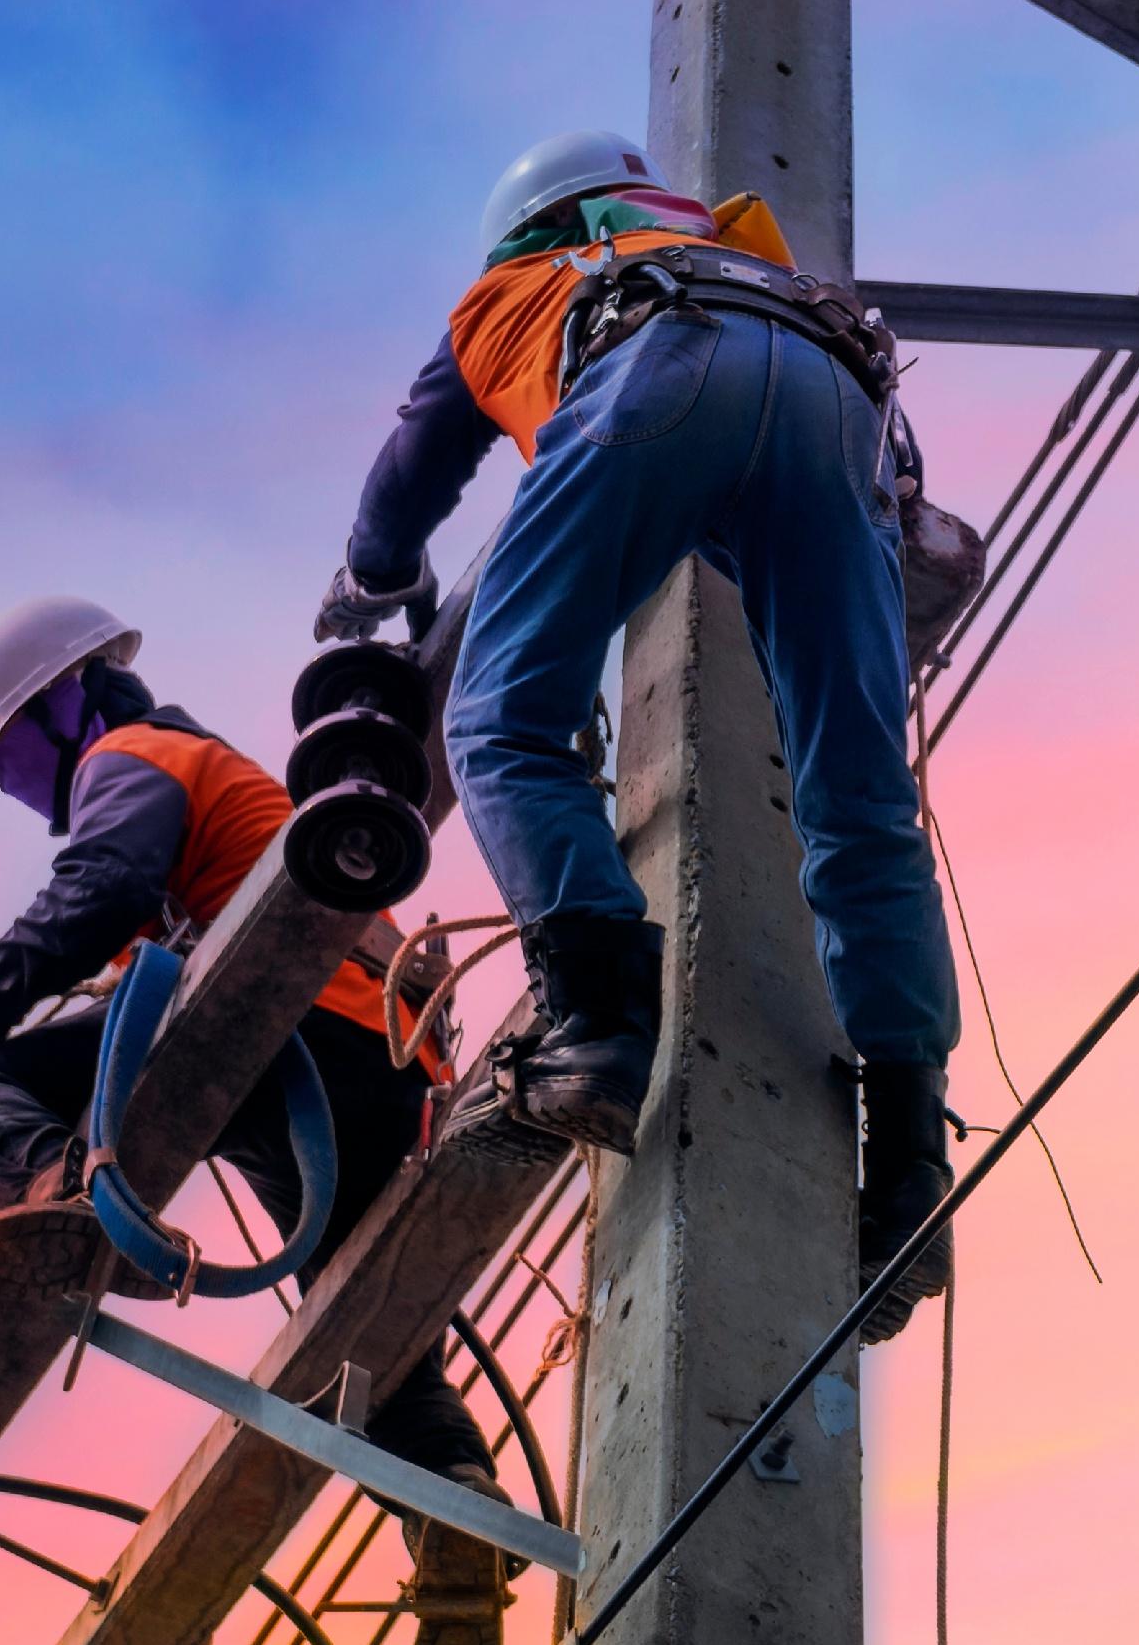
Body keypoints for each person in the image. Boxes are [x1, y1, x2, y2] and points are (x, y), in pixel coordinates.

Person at [315, 127, 962, 1342]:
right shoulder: (736, 248)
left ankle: (600, 1029)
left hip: (657, 363)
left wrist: (367, 583)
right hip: (832, 402)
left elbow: (414, 470)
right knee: (864, 805)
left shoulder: (511, 287)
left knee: (501, 718)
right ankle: (911, 1159)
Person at [0, 593, 511, 1645]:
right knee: (362, 1339)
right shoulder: (215, 795)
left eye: (14, 761)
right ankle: (451, 1517)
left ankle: (63, 1202)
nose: (24, 793)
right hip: (382, 1062)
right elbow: (141, 928)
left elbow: (100, 891)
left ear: (59, 705)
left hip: (287, 1029)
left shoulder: (132, 756)